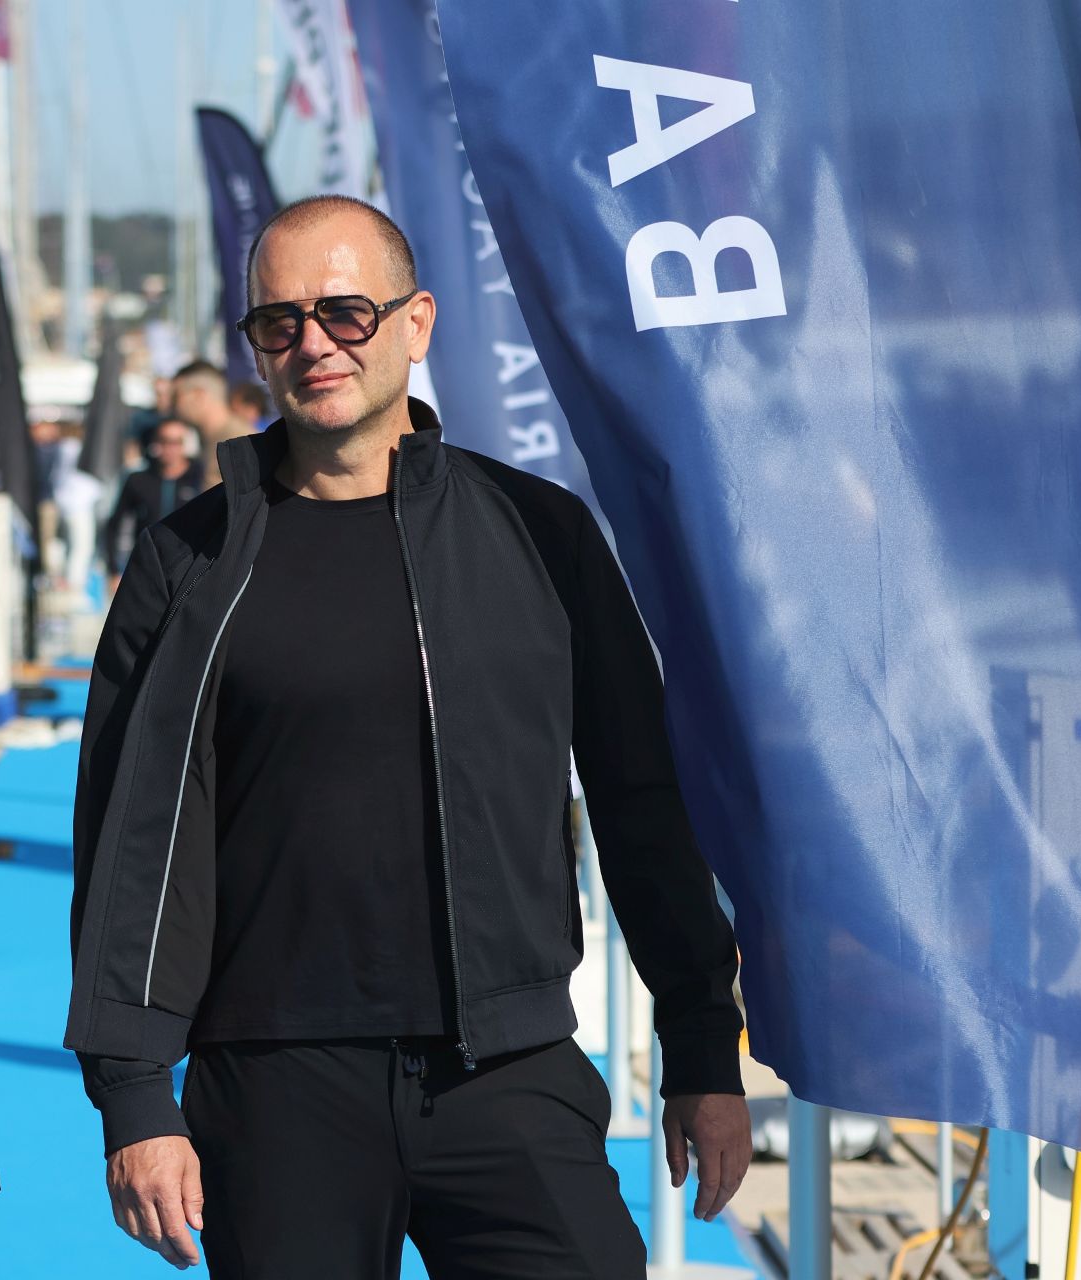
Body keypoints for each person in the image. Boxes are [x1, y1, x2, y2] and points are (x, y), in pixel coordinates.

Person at [65, 196, 751, 1278]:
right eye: (280, 322)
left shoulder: (539, 533)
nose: (315, 344)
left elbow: (640, 800)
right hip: (275, 1083)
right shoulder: (188, 561)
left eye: (346, 312)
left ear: (416, 321)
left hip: (507, 1066)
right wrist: (135, 1091)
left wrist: (702, 1042)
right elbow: (134, 837)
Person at [101, 418, 202, 583]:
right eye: (164, 441)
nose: (170, 448)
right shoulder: (138, 480)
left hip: (188, 570)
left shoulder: (199, 478)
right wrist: (113, 570)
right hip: (147, 567)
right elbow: (114, 525)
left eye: (176, 442)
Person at [172, 360, 256, 458]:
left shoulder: (238, 442)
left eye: (176, 396)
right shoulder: (216, 440)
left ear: (198, 395)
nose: (173, 405)